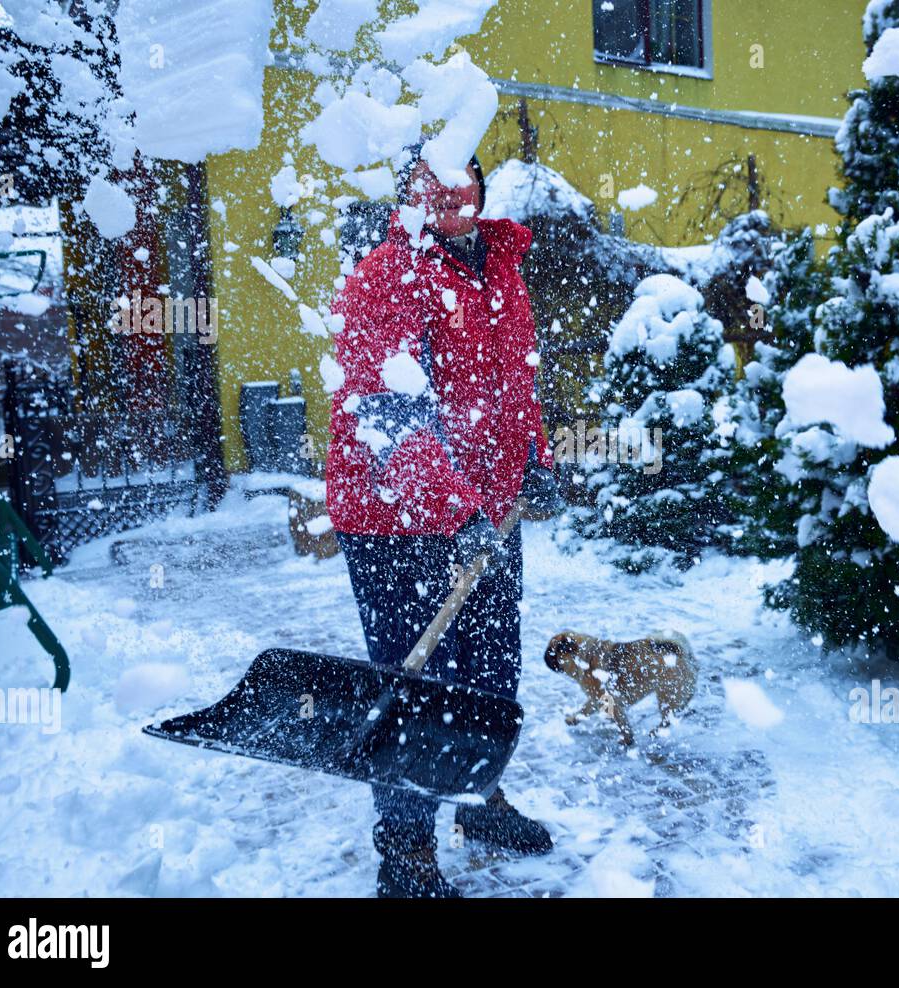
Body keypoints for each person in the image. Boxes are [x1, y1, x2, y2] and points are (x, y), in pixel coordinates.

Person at [326, 146, 564, 898]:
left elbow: (515, 383)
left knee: (493, 670)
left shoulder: (502, 268)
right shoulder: (384, 279)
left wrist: (536, 459)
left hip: (487, 511)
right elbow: (388, 416)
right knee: (418, 680)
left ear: (481, 185)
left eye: (464, 175)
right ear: (409, 192)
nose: (451, 192)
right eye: (432, 179)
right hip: (396, 517)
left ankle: (478, 798)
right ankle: (406, 853)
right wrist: (452, 510)